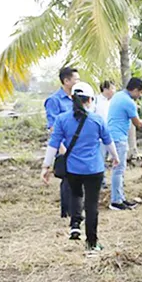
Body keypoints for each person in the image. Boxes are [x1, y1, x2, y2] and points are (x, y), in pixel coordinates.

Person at [41, 82, 119, 252]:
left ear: (72, 99)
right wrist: (116, 157)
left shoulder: (62, 119)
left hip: (73, 169)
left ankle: (75, 224)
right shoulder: (97, 120)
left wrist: (46, 167)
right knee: (92, 206)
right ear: (90, 100)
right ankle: (92, 243)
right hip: (94, 169)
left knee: (76, 195)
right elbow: (108, 141)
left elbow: (53, 144)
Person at [106, 77, 142, 211]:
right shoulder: (128, 102)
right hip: (119, 137)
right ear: (135, 90)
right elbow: (138, 124)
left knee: (119, 169)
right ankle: (116, 201)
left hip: (112, 135)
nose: (140, 95)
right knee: (118, 170)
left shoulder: (118, 95)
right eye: (140, 92)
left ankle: (121, 198)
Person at [45, 66, 79, 219]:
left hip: (78, 143)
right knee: (67, 178)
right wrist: (60, 146)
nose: (78, 82)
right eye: (76, 79)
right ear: (66, 81)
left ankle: (77, 208)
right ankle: (67, 211)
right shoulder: (54, 100)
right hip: (64, 145)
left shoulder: (76, 98)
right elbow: (52, 126)